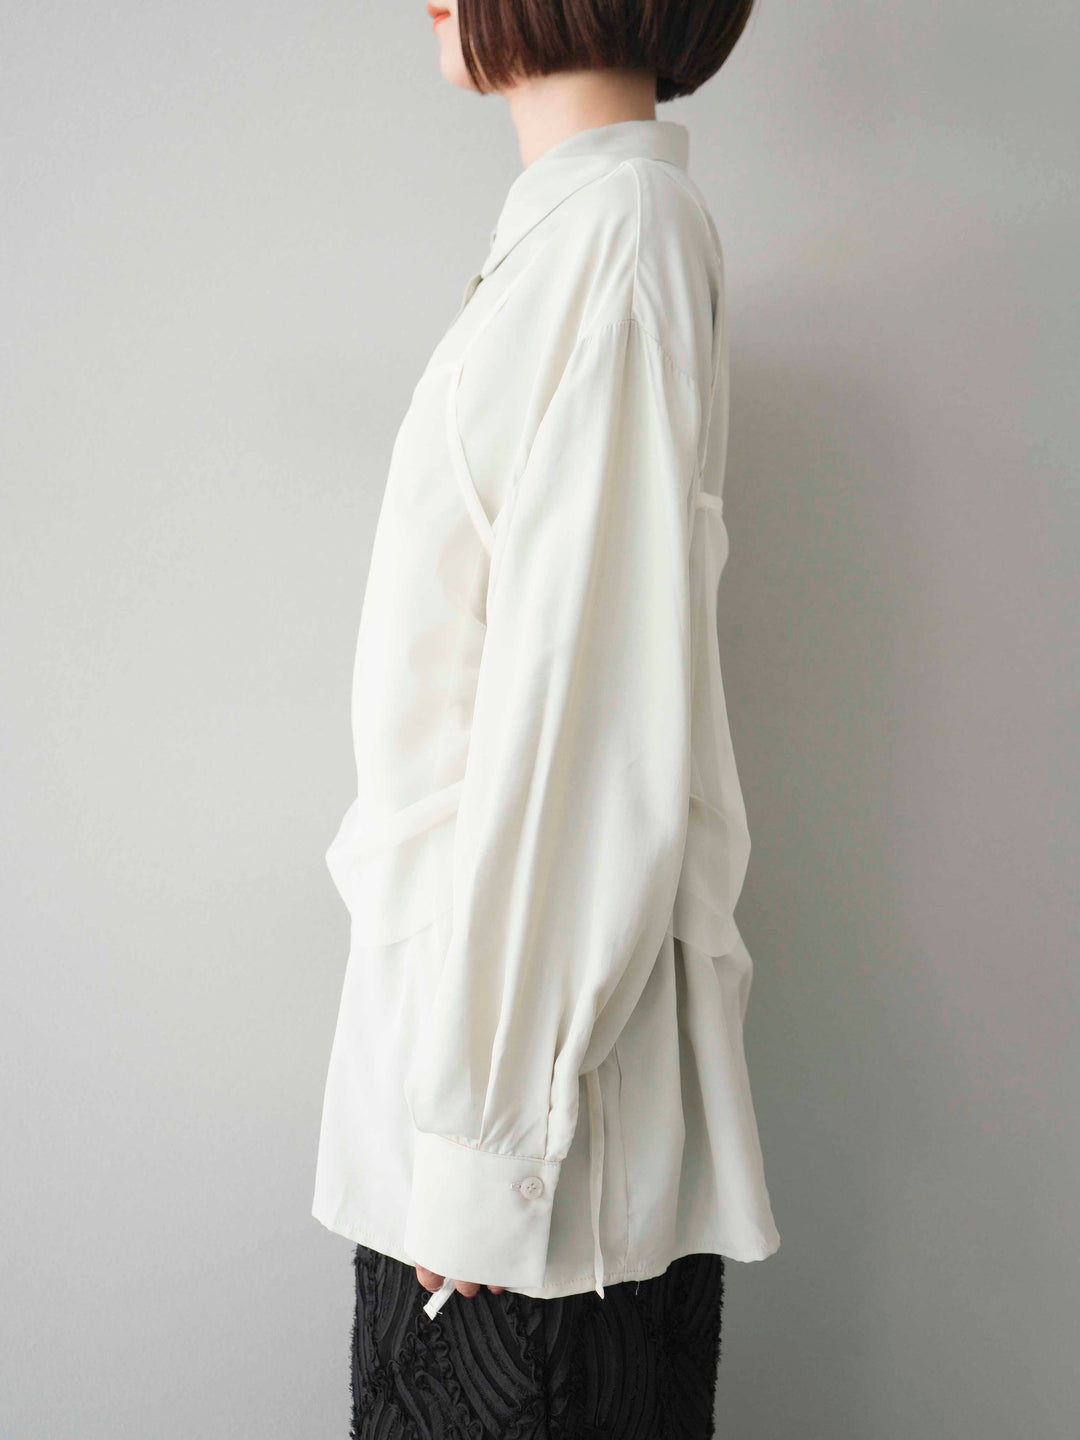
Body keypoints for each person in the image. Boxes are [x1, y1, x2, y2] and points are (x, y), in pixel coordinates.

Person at [312, 2, 780, 1434]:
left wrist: (486, 1149)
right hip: (478, 1128)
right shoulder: (583, 236)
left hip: (518, 1185)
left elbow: (587, 722)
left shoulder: (618, 238)